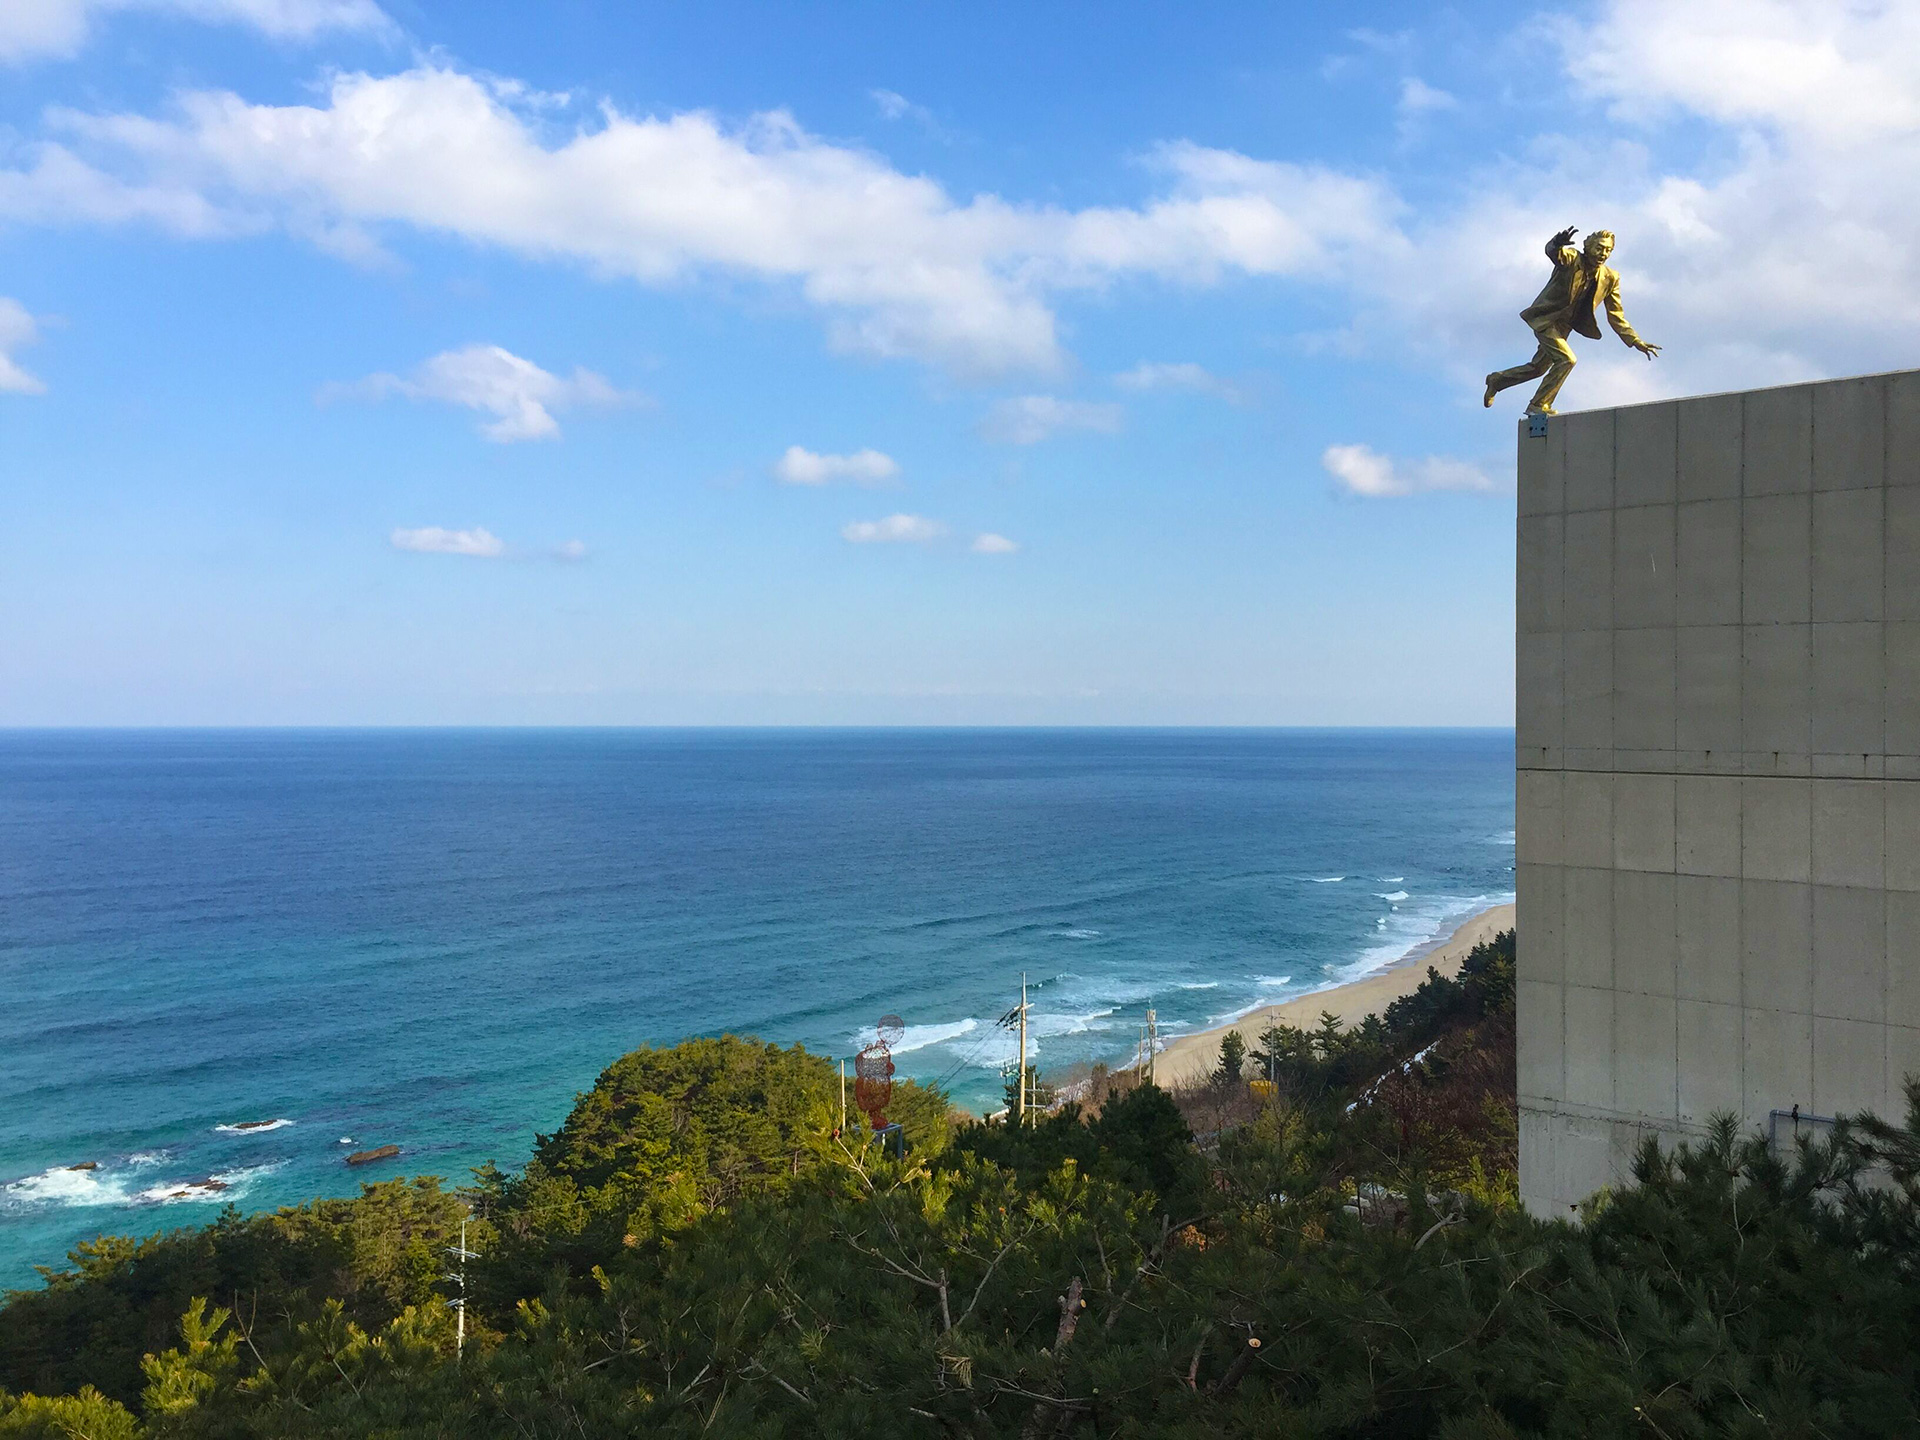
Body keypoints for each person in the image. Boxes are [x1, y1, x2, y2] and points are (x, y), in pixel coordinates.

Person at [1484, 226, 1659, 415]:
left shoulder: (1610, 277)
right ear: (1587, 246)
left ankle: (1498, 380)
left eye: (1608, 250)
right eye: (1599, 248)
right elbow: (1554, 253)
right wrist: (1557, 243)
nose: (1604, 253)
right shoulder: (1572, 259)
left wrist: (1635, 340)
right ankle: (1538, 405)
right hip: (1546, 319)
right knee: (1567, 360)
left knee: (1538, 368)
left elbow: (1616, 315)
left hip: (1564, 326)